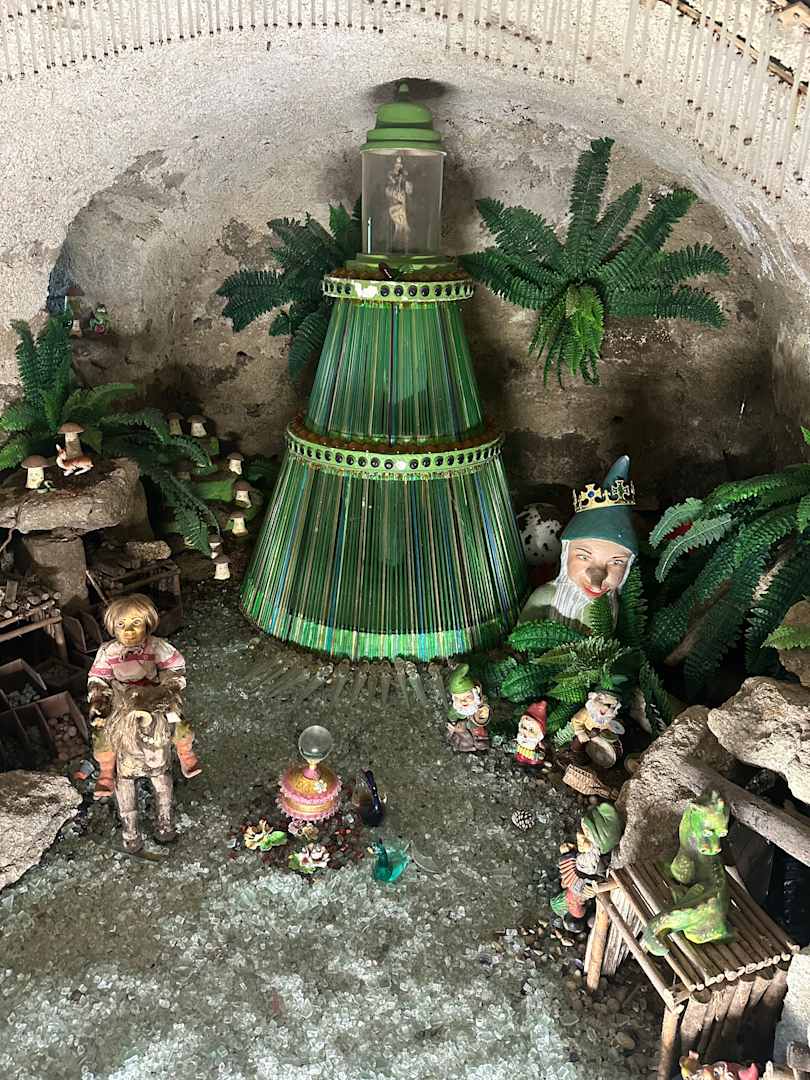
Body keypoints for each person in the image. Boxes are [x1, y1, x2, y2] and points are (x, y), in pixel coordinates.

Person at [88, 593, 202, 801]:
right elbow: (98, 677)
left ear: (147, 624)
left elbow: (175, 666)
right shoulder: (108, 651)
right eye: (121, 624)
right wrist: (99, 699)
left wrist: (169, 687)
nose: (129, 630)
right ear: (113, 627)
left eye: (136, 623)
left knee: (175, 718)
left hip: (153, 695)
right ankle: (106, 770)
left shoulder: (156, 646)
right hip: (121, 698)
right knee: (102, 729)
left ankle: (185, 751)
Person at [519, 455, 638, 631]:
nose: (596, 583)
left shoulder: (617, 607)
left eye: (616, 562)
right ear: (565, 554)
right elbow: (521, 636)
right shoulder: (547, 596)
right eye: (583, 557)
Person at [446, 663, 490, 752]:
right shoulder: (457, 709)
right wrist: (453, 724)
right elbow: (451, 716)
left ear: (475, 692)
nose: (463, 701)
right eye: (458, 698)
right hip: (463, 727)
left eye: (467, 697)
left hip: (474, 726)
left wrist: (483, 714)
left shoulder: (479, 704)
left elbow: (483, 717)